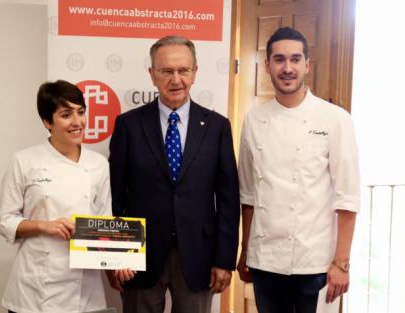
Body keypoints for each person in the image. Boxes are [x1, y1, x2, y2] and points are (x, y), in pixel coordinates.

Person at [108, 35, 240, 313]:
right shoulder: (128, 125)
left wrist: (224, 260)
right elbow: (114, 197)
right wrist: (115, 256)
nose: (176, 79)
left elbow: (228, 200)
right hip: (138, 256)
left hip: (200, 257)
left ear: (195, 73)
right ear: (152, 75)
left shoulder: (217, 127)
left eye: (184, 70)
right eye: (167, 71)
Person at [236, 27, 360, 313]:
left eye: (295, 59)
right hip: (264, 260)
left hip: (314, 260)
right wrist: (246, 250)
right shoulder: (254, 119)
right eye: (279, 59)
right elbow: (248, 194)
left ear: (307, 64)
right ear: (267, 65)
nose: (287, 68)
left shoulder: (335, 119)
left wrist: (342, 262)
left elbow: (348, 198)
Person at [0, 80, 134, 313]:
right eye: (66, 114)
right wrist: (43, 225)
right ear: (47, 122)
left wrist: (118, 263)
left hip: (84, 289)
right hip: (36, 289)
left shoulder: (98, 164)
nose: (77, 122)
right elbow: (4, 220)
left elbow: (104, 221)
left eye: (81, 112)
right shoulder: (25, 160)